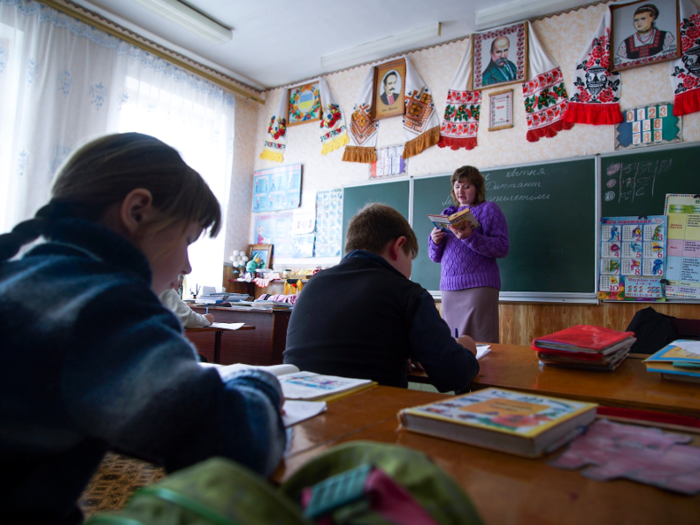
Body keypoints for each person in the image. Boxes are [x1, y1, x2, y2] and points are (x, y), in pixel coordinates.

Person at [0, 133, 286, 524]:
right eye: (187, 240)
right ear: (137, 211)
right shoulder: (105, 306)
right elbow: (237, 446)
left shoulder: (18, 277)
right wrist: (259, 381)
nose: (186, 266)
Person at [283, 203, 479, 392]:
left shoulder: (313, 285)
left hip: (299, 416)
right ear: (398, 246)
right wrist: (466, 346)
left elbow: (352, 347)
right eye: (410, 257)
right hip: (367, 417)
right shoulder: (407, 293)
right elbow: (454, 375)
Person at [429, 166, 509, 343]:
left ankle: (486, 371)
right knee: (452, 340)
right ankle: (457, 371)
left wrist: (470, 237)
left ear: (477, 188)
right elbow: (435, 256)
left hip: (479, 285)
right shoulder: (447, 214)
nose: (461, 191)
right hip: (450, 286)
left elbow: (502, 247)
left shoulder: (489, 209)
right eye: (457, 186)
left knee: (481, 339)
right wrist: (435, 241)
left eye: (466, 186)